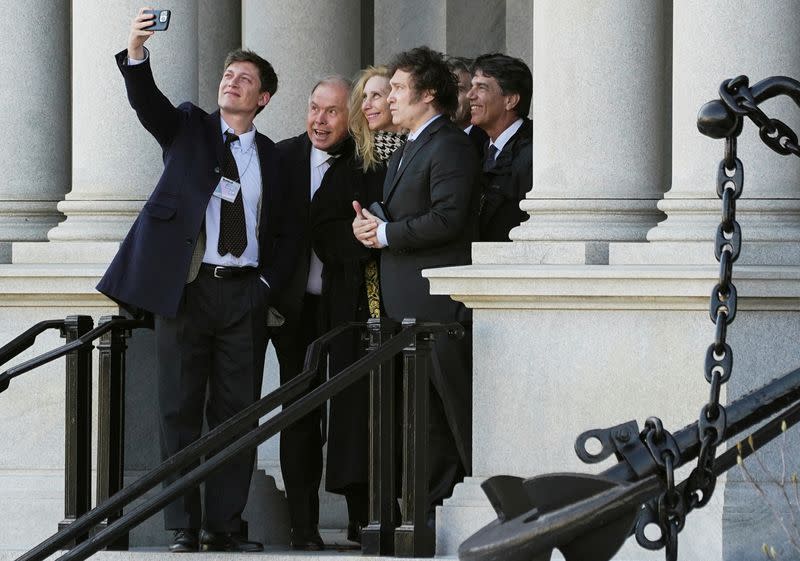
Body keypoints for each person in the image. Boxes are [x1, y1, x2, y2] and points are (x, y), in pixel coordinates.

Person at [96, 8, 301, 553]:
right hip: (187, 290)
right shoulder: (188, 127)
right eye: (228, 75)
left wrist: (264, 290)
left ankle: (224, 526)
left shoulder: (276, 160)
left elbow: (286, 236)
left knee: (238, 414)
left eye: (245, 79)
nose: (231, 81)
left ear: (263, 99)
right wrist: (137, 53)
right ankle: (183, 525)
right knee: (179, 408)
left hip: (244, 293)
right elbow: (148, 104)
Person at [352, 46, 480, 522]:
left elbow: (448, 218)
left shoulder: (449, 144)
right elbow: (407, 216)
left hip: (436, 307)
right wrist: (372, 228)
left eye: (400, 89)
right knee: (419, 417)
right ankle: (422, 512)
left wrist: (385, 233)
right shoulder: (409, 145)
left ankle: (446, 513)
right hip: (407, 305)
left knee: (445, 417)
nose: (391, 98)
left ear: (428, 94)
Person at [309, 65, 406, 542]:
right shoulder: (347, 164)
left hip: (405, 304)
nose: (370, 104)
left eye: (381, 94)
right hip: (355, 308)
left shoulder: (417, 153)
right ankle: (361, 511)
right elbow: (322, 229)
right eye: (364, 96)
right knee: (355, 409)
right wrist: (357, 235)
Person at [272, 75, 352, 551]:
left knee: (352, 409)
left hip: (346, 308)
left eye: (332, 112)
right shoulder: (280, 158)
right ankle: (303, 526)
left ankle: (365, 517)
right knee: (299, 414)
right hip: (293, 311)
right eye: (314, 108)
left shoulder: (365, 162)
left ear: (352, 116)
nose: (319, 120)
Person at [468, 53, 533, 242]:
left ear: (510, 100)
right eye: (472, 86)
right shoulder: (479, 150)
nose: (470, 95)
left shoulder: (532, 155)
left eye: (481, 87)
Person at [447, 56, 488, 156]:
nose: (449, 97)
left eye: (459, 89)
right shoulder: (432, 138)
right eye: (446, 90)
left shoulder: (487, 142)